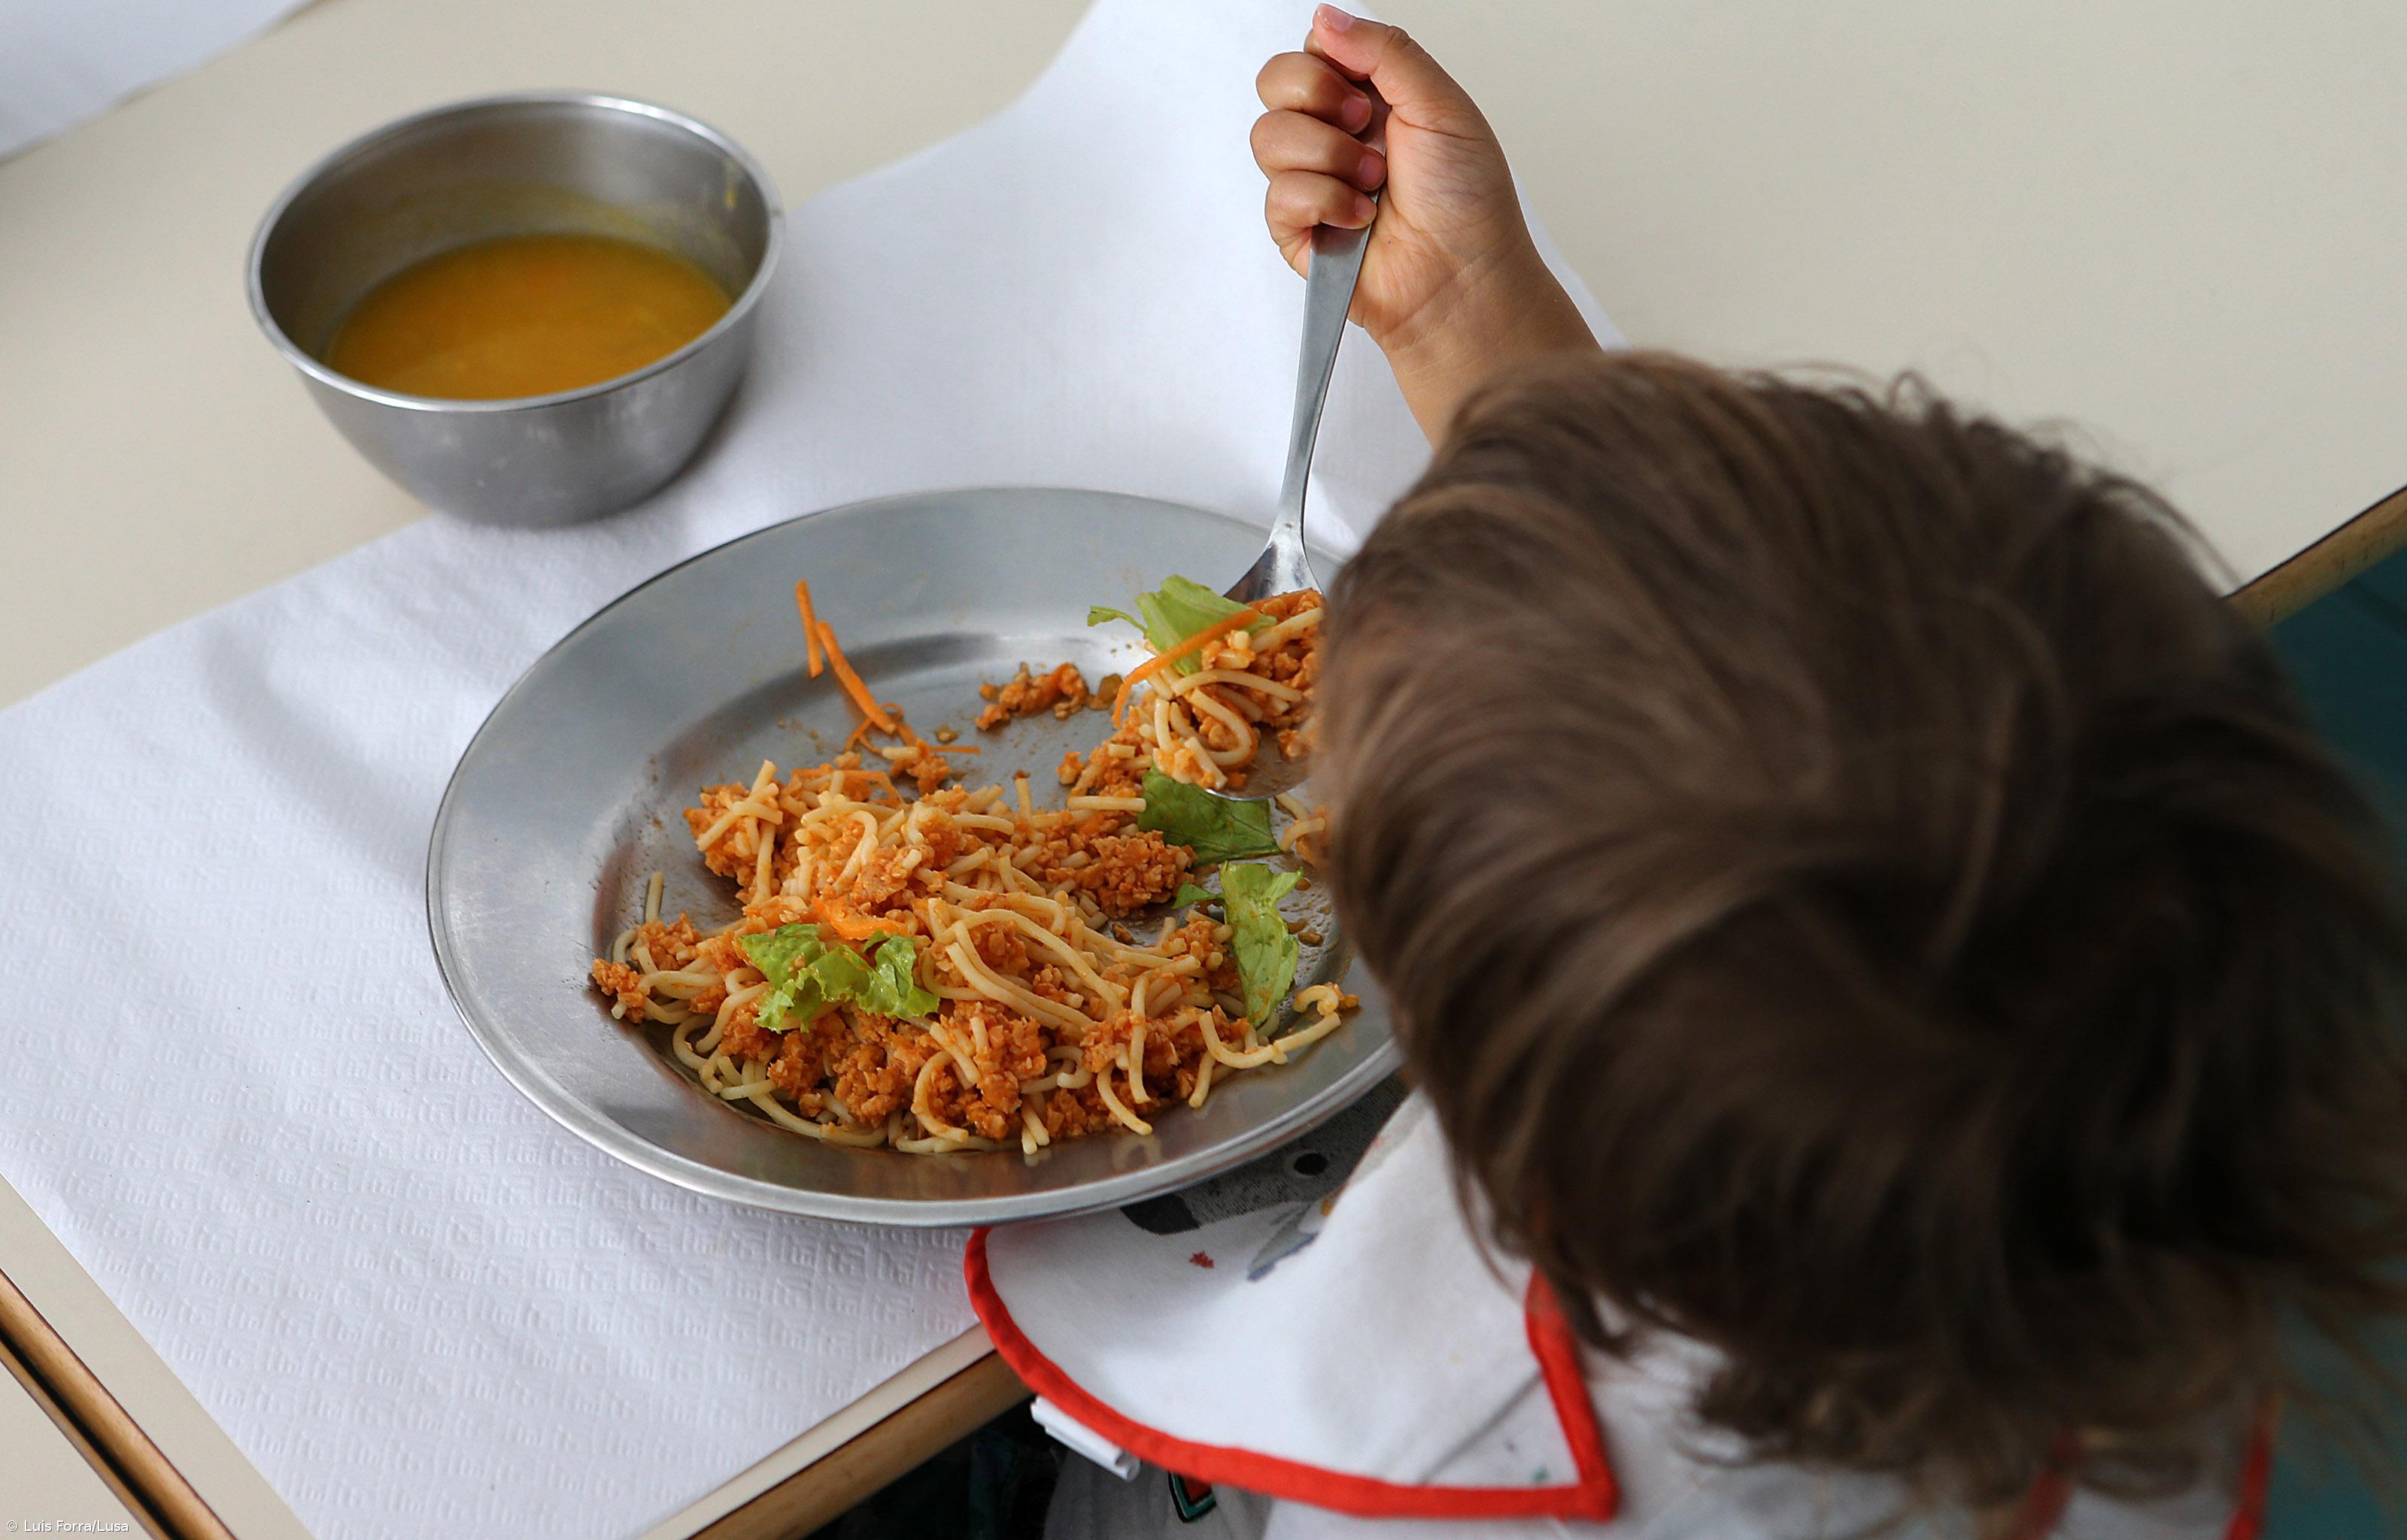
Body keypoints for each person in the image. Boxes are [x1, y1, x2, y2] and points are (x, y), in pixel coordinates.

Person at [1022, 7, 2407, 1535]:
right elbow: (1733, 719)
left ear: (1478, 1082)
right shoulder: (2102, 1160)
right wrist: (1465, 318)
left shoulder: (1435, 1484)